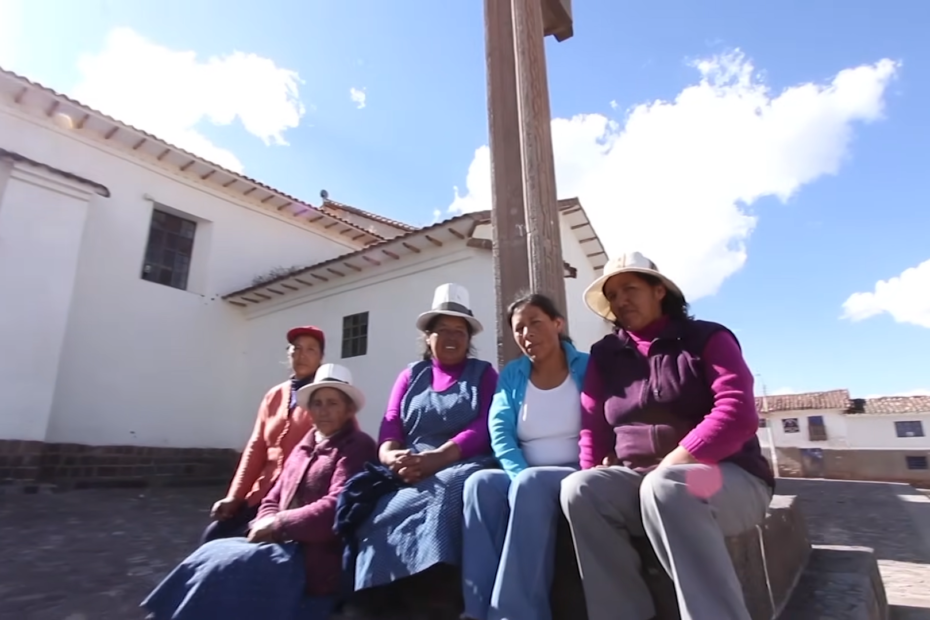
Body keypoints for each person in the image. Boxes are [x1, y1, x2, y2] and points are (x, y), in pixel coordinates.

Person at [559, 252, 774, 620]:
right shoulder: (605, 355)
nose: (620, 300)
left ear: (659, 291)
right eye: (613, 295)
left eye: (630, 288)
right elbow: (593, 424)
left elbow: (737, 411)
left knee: (668, 486)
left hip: (725, 477)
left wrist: (675, 460)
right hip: (641, 482)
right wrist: (594, 468)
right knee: (579, 489)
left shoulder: (707, 338)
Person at [141, 363, 377, 620]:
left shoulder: (357, 446)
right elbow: (273, 495)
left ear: (348, 409)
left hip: (316, 555)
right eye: (317, 403)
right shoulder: (304, 446)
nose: (323, 410)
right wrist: (266, 520)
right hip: (281, 543)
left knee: (226, 567)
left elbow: (337, 506)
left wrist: (279, 523)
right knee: (212, 551)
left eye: (332, 403)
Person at [351, 283, 499, 595]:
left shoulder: (484, 374)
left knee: (445, 493)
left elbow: (485, 425)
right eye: (443, 329)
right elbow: (391, 422)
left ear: (469, 339)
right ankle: (380, 595)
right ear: (428, 337)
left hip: (462, 460)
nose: (451, 337)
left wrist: (440, 457)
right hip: (411, 464)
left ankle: (435, 589)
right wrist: (391, 456)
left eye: (460, 331)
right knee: (377, 509)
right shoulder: (410, 376)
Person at [461, 293, 589, 620]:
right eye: (519, 329)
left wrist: (588, 467)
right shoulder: (513, 375)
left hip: (574, 470)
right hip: (526, 472)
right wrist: (517, 473)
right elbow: (500, 430)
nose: (527, 334)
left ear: (557, 324)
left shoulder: (586, 366)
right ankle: (476, 610)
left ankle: (516, 613)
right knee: (479, 484)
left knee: (530, 484)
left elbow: (600, 418)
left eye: (536, 323)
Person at [202, 325, 325, 544]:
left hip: (298, 497)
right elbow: (256, 447)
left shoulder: (328, 395)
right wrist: (235, 496)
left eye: (310, 349)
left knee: (249, 547)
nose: (301, 355)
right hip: (263, 493)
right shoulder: (274, 395)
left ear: (321, 357)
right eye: (295, 349)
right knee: (215, 535)